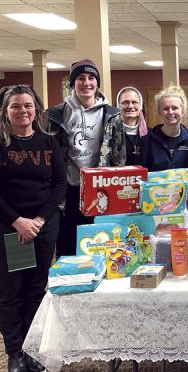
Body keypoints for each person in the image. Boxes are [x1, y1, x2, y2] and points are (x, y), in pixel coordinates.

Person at [0, 85, 66, 372]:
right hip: (7, 230)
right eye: (15, 106)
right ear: (4, 111)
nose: (22, 111)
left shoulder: (48, 142)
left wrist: (39, 220)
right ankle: (14, 353)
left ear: (36, 110)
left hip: (41, 228)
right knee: (11, 292)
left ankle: (32, 349)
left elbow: (59, 184)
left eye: (28, 105)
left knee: (36, 290)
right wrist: (18, 221)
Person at [47, 59, 125, 257]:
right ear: (73, 83)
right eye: (80, 78)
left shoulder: (112, 115)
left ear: (97, 83)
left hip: (100, 189)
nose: (86, 83)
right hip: (68, 189)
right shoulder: (56, 114)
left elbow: (119, 157)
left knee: (100, 246)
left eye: (91, 78)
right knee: (68, 247)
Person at [143, 85, 188, 193]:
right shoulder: (148, 141)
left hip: (184, 199)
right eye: (165, 108)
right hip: (155, 199)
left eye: (175, 108)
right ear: (159, 112)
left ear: (183, 111)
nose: (170, 112)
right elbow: (143, 176)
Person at [116, 86, 148, 165]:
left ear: (140, 106)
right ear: (118, 106)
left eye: (134, 102)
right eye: (125, 102)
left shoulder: (150, 135)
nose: (130, 106)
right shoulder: (110, 135)